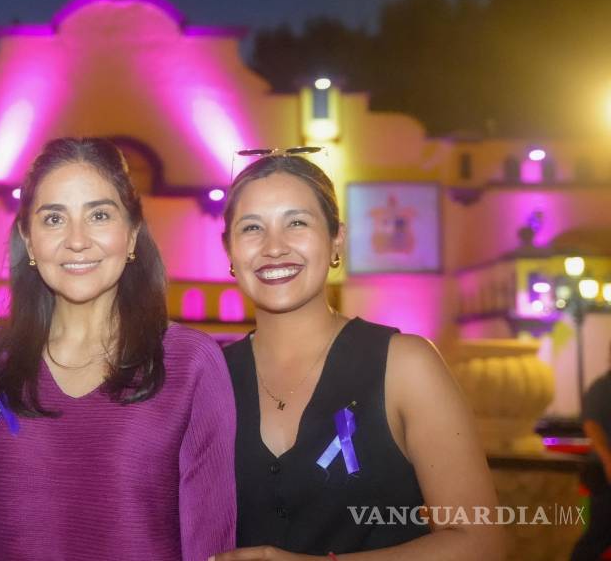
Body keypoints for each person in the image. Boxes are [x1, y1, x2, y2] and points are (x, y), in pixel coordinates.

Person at [214, 152, 504, 560]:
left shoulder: (405, 366)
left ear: (337, 239)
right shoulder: (209, 379)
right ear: (229, 249)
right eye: (251, 228)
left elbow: (479, 543)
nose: (274, 247)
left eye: (297, 223)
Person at [0, 137, 237, 561]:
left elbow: (211, 540)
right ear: (28, 238)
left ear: (132, 234)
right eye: (54, 219)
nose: (77, 240)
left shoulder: (190, 363)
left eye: (98, 215)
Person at [572, 344, 611, 561]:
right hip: (606, 477)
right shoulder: (602, 388)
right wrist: (608, 461)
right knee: (598, 536)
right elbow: (591, 426)